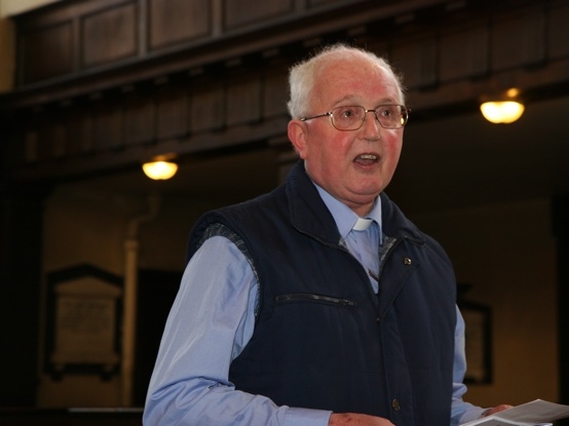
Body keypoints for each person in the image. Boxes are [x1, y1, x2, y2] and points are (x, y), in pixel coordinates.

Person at [143, 43, 510, 426]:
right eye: (348, 113)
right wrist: (323, 424)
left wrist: (483, 420)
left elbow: (438, 403)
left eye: (387, 113)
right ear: (300, 137)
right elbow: (175, 405)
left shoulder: (430, 262)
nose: (373, 132)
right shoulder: (237, 246)